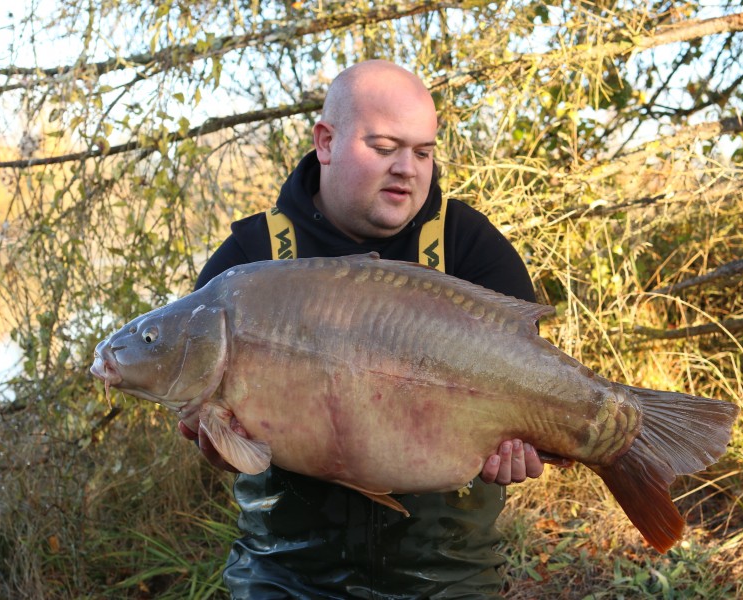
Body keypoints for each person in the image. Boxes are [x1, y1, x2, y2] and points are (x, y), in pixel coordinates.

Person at [179, 60, 546, 598]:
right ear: (325, 142)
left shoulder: (468, 244)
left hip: (446, 573)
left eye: (423, 152)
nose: (408, 168)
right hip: (285, 574)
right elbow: (210, 435)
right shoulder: (248, 264)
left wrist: (524, 442)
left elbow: (527, 387)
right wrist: (216, 445)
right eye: (384, 147)